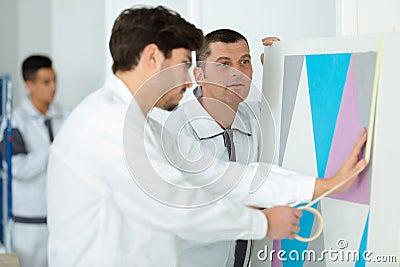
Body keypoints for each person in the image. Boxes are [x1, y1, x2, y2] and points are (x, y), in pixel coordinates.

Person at [46, 6, 367, 267]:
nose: (190, 81)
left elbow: (221, 175)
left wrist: (318, 186)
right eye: (185, 64)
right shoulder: (106, 126)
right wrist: (263, 225)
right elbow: (178, 206)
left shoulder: (143, 126)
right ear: (153, 57)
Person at [162, 29, 366, 267]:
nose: (237, 72)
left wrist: (282, 65)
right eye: (223, 64)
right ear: (199, 75)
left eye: (245, 62)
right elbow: (208, 200)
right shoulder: (178, 133)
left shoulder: (255, 119)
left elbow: (305, 109)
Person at [0, 55, 70, 267]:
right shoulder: (14, 122)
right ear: (29, 84)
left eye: (55, 79)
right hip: (28, 227)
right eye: (46, 82)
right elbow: (17, 168)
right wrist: (56, 149)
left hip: (62, 221)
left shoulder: (67, 116)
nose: (54, 87)